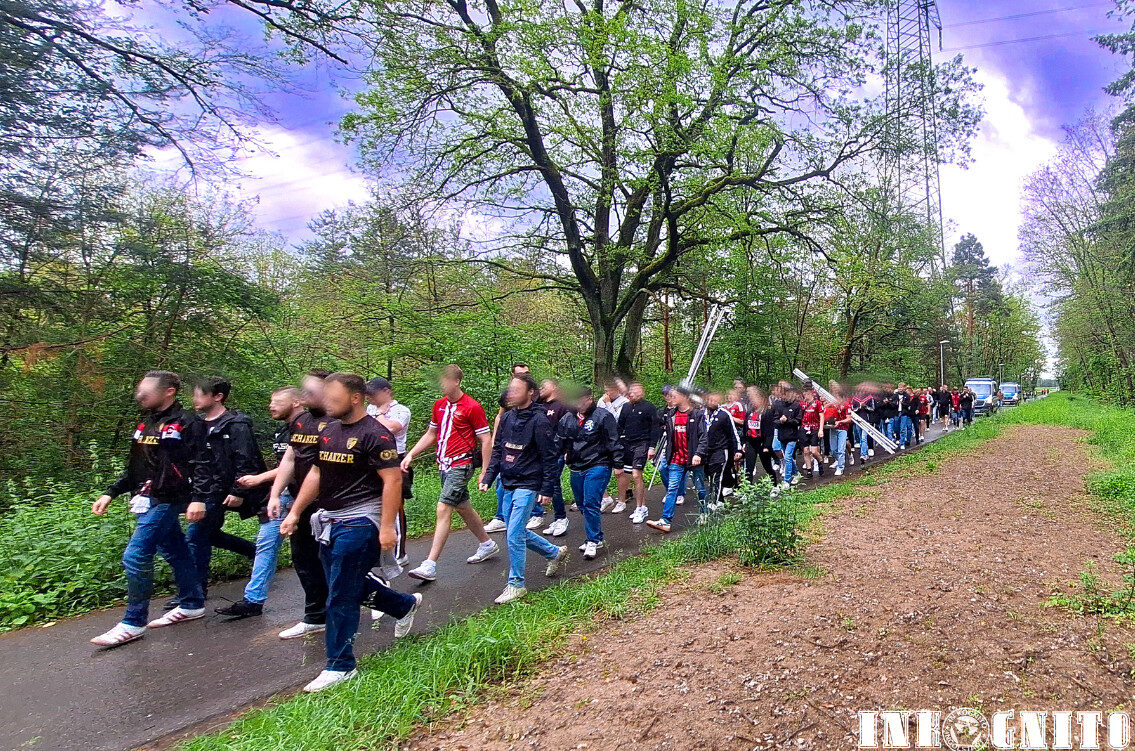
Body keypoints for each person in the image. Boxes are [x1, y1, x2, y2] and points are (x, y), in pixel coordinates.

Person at [280, 372, 423, 693]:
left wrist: (386, 527)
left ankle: (340, 665)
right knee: (344, 583)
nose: (327, 403)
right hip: (330, 519)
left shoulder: (376, 434)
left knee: (340, 594)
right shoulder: (328, 430)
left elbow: (392, 481)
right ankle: (402, 605)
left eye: (334, 398)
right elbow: (315, 473)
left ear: (355, 398)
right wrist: (295, 512)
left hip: (362, 520)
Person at [90, 370, 207, 646]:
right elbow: (137, 467)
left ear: (169, 392)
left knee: (135, 555)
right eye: (139, 389)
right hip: (147, 496)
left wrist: (199, 497)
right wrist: (111, 492)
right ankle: (192, 603)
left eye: (147, 390)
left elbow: (204, 464)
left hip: (171, 497)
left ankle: (133, 622)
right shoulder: (145, 424)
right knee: (176, 549)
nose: (140, 395)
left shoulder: (188, 423)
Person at [478, 373, 569, 604]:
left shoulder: (540, 421)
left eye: (517, 389)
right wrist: (489, 476)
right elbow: (498, 450)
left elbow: (549, 458)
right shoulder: (508, 418)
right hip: (508, 480)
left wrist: (547, 490)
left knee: (514, 534)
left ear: (531, 393)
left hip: (528, 484)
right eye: (511, 389)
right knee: (515, 531)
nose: (512, 393)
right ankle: (553, 552)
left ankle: (516, 584)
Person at [403, 364, 499, 581]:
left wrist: (485, 471)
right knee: (463, 506)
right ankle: (487, 544)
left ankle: (430, 564)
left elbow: (485, 440)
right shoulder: (439, 405)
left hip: (461, 464)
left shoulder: (472, 407)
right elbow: (431, 434)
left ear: (456, 381)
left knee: (443, 507)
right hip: (443, 464)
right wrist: (411, 454)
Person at [216, 386, 304, 619]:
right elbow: (284, 466)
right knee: (266, 543)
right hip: (283, 495)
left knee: (315, 553)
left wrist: (260, 478)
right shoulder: (281, 429)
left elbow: (300, 465)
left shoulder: (309, 427)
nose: (271, 406)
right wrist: (274, 492)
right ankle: (253, 600)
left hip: (308, 498)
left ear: (296, 402)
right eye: (270, 401)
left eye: (277, 401)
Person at [183, 377, 261, 606]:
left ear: (218, 396)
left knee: (195, 535)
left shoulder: (236, 424)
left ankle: (195, 592)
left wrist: (238, 490)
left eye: (200, 394)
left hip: (224, 488)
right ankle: (254, 552)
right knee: (209, 534)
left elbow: (246, 459)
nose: (195, 399)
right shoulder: (196, 424)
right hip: (202, 488)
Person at [267, 369, 333, 640]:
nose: (303, 394)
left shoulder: (336, 422)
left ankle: (389, 601)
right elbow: (291, 458)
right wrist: (275, 494)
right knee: (304, 559)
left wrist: (294, 510)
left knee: (337, 561)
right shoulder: (301, 422)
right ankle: (316, 616)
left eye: (310, 390)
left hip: (332, 504)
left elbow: (320, 471)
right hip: (302, 503)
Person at [557, 386, 621, 558]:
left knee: (591, 501)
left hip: (599, 463)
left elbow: (613, 440)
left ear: (589, 399)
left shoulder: (603, 416)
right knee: (582, 504)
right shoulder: (568, 418)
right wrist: (562, 453)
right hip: (576, 466)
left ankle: (592, 540)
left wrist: (618, 463)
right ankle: (596, 536)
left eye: (581, 401)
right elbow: (560, 441)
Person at [365, 376, 412, 565]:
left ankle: (400, 553)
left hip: (395, 459)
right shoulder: (369, 409)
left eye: (373, 393)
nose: (369, 397)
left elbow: (391, 428)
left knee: (395, 506)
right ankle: (377, 551)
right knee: (373, 503)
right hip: (371, 459)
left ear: (386, 391)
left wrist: (379, 415)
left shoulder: (401, 410)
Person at [646, 387, 707, 533]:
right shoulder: (670, 415)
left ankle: (704, 514)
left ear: (684, 397)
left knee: (700, 488)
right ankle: (665, 521)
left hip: (694, 459)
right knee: (672, 488)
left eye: (674, 396)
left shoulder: (697, 414)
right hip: (676, 458)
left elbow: (704, 437)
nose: (671, 398)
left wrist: (698, 454)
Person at [485, 363, 532, 534]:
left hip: (528, 447)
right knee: (501, 479)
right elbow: (500, 416)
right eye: (520, 374)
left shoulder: (533, 393)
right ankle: (501, 517)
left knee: (528, 481)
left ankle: (535, 514)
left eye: (527, 373)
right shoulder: (508, 395)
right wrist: (494, 439)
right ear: (512, 376)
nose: (524, 377)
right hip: (508, 444)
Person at [617, 382, 661, 524]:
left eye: (636, 391)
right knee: (629, 474)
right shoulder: (626, 407)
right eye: (631, 391)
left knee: (636, 474)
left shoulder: (649, 407)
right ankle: (643, 506)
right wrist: (617, 444)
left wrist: (652, 447)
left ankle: (639, 508)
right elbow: (620, 426)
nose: (633, 394)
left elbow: (655, 428)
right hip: (627, 444)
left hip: (642, 443)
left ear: (642, 392)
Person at [533, 378, 572, 536]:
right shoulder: (539, 406)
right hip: (539, 453)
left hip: (556, 452)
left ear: (555, 387)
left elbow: (569, 429)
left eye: (545, 385)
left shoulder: (563, 406)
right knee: (541, 484)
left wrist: (568, 449)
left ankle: (561, 518)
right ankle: (549, 517)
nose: (541, 387)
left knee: (554, 484)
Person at [701, 391, 742, 514]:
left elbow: (733, 433)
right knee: (709, 475)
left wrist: (738, 449)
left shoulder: (724, 414)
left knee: (717, 476)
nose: (712, 402)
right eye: (710, 400)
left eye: (715, 400)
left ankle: (714, 501)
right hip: (706, 450)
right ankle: (721, 499)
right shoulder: (701, 414)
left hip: (721, 450)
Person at [596, 379, 629, 512]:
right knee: (599, 468)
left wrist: (609, 404)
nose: (607, 393)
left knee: (619, 472)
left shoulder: (624, 403)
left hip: (618, 439)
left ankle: (621, 501)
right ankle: (605, 498)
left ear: (617, 390)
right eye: (606, 390)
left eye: (610, 390)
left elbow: (617, 420)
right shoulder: (601, 400)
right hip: (602, 440)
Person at [772, 384, 803, 488]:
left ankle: (787, 480)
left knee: (788, 457)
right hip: (782, 435)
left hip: (792, 436)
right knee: (787, 456)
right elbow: (774, 420)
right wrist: (780, 421)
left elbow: (798, 421)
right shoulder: (778, 405)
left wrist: (788, 420)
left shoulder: (796, 405)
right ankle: (796, 473)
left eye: (785, 394)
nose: (783, 396)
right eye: (782, 394)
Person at [824, 389, 853, 477]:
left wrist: (840, 422)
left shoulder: (846, 405)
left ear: (840, 397)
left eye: (835, 396)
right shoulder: (833, 404)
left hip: (842, 429)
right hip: (833, 428)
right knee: (833, 450)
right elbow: (824, 409)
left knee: (841, 449)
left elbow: (849, 419)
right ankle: (838, 460)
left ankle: (840, 467)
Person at [799, 388, 824, 478]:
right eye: (805, 394)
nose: (806, 396)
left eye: (808, 394)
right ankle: (809, 470)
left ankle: (820, 460)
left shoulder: (817, 403)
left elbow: (821, 416)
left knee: (814, 451)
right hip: (804, 427)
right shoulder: (802, 404)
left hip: (814, 428)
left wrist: (821, 429)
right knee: (806, 450)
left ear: (812, 394)